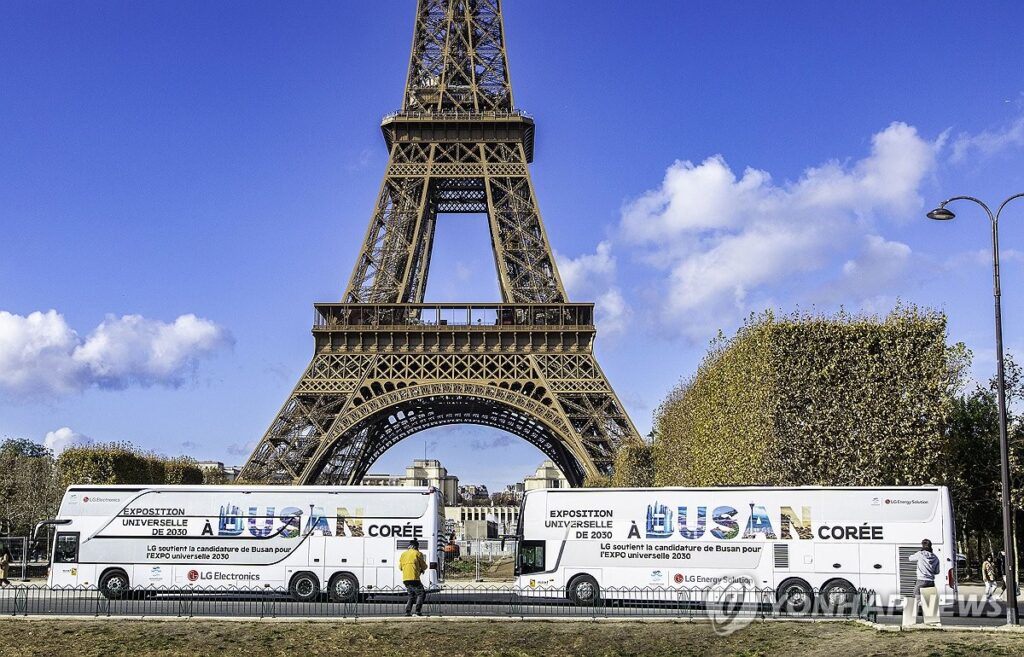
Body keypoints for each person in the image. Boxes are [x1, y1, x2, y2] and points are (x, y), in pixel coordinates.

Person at [908, 539, 941, 611]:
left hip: (921, 581)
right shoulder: (935, 558)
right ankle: (929, 614)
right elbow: (937, 572)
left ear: (923, 545)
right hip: (931, 582)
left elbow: (910, 558)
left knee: (915, 597)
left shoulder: (920, 554)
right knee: (930, 600)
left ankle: (916, 609)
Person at [399, 538, 428, 617]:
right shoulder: (418, 553)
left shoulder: (403, 554)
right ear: (416, 547)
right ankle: (418, 611)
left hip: (405, 579)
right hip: (414, 578)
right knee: (421, 594)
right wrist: (421, 569)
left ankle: (408, 612)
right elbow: (424, 566)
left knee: (411, 595)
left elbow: (400, 567)